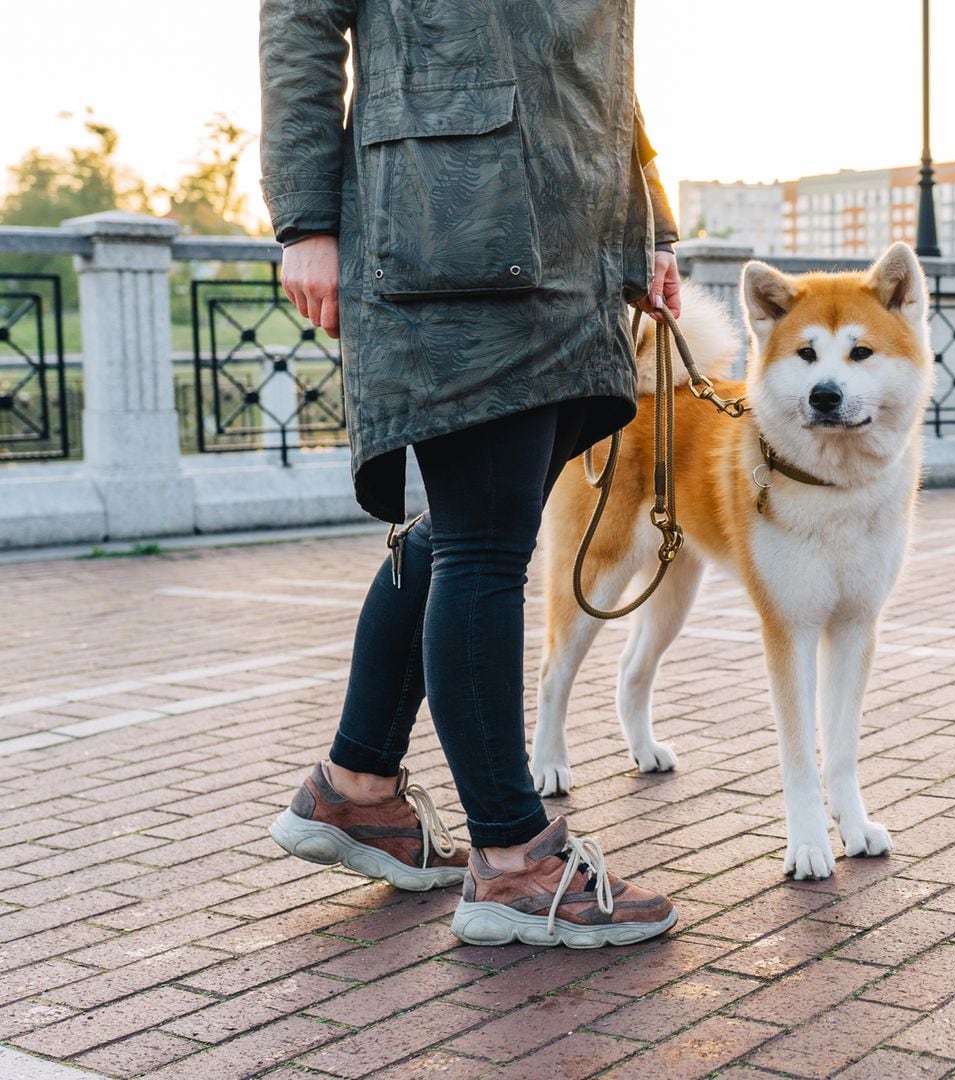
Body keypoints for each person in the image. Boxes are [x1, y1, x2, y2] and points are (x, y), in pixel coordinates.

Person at [257, 0, 681, 947]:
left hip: (574, 239)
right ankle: (512, 860)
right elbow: (300, 19)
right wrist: (306, 221)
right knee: (484, 547)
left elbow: (605, 62)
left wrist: (650, 224)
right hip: (451, 230)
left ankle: (356, 789)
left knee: (462, 532)